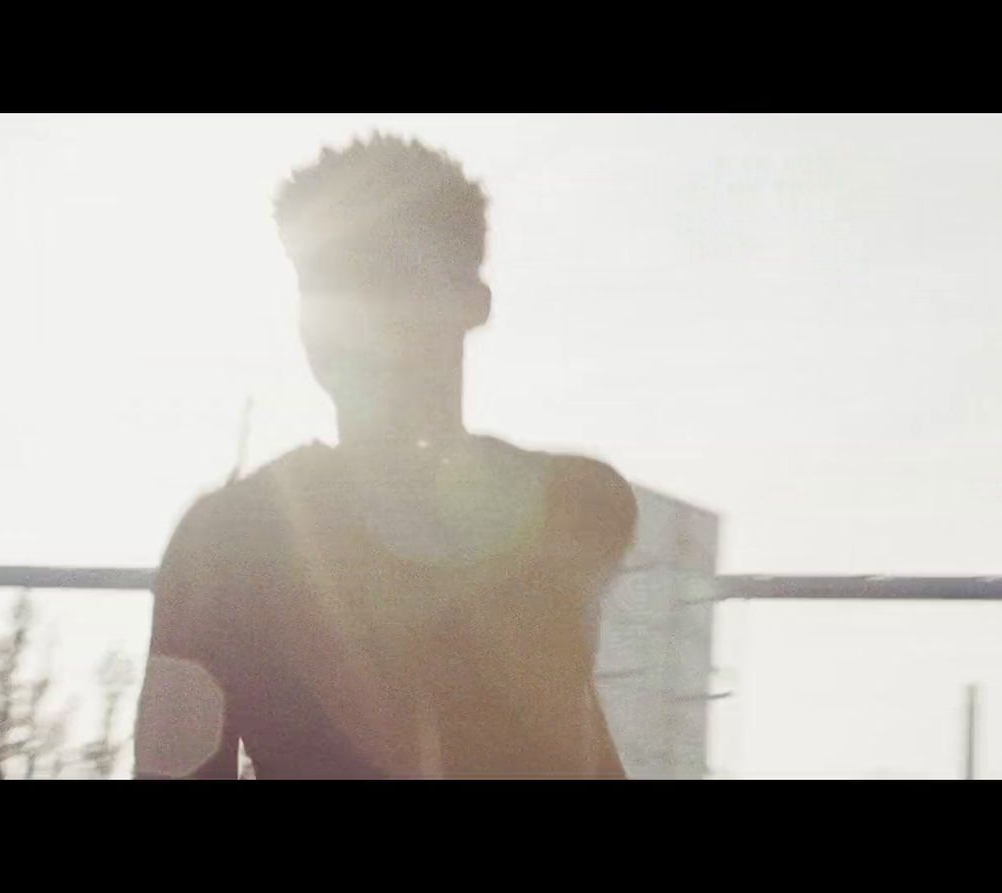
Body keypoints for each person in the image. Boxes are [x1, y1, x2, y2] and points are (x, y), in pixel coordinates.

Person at [133, 134, 636, 779]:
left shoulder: (573, 505)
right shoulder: (220, 542)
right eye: (322, 279)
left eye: (384, 275)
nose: (349, 315)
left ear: (471, 303)